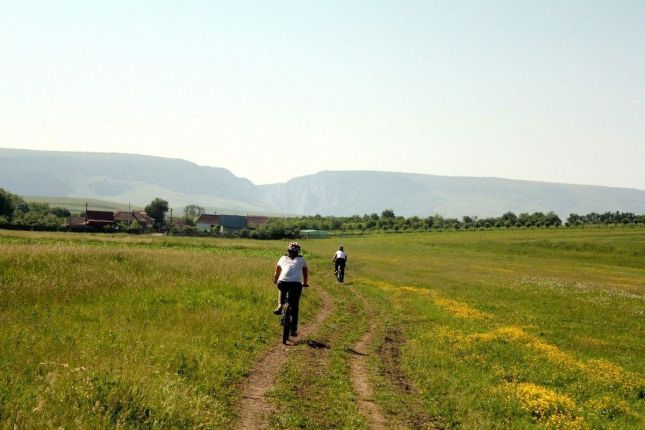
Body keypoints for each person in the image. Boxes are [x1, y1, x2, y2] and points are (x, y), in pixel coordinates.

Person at [273, 242, 308, 337]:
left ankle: (280, 305)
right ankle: (293, 330)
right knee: (295, 306)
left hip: (282, 282)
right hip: (296, 284)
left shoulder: (282, 258)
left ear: (288, 250)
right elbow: (305, 273)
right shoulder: (302, 260)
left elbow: (277, 272)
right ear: (298, 252)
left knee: (281, 289)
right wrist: (305, 283)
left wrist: (276, 281)